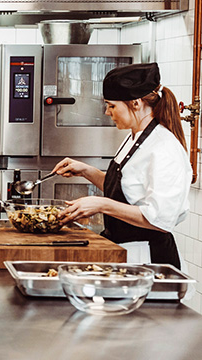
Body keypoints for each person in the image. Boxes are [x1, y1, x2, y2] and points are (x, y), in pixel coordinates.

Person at [53, 62, 191, 269]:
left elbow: (159, 219)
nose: (107, 112)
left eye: (111, 105)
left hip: (147, 259)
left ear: (135, 103)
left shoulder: (164, 148)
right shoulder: (134, 138)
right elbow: (126, 190)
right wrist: (86, 171)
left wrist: (100, 204)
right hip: (122, 251)